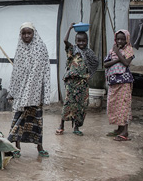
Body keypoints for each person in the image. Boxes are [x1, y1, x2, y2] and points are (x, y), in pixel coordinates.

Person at [7, 22, 52, 157]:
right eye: (24, 33)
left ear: (34, 33)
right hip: (21, 92)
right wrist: (12, 92)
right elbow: (16, 73)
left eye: (29, 33)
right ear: (20, 35)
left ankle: (40, 147)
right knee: (19, 119)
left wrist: (43, 94)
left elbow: (44, 72)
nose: (26, 36)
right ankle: (16, 147)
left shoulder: (41, 47)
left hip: (35, 93)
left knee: (37, 120)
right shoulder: (20, 49)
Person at [57, 25, 99, 135]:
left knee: (81, 105)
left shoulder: (89, 52)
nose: (81, 43)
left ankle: (76, 127)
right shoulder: (73, 49)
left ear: (87, 41)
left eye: (83, 41)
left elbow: (96, 63)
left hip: (83, 83)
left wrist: (90, 74)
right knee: (68, 103)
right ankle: (61, 125)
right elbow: (65, 40)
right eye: (78, 40)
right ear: (75, 41)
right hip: (71, 82)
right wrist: (70, 28)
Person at [104, 30, 134, 141]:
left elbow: (126, 63)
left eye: (122, 39)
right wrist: (116, 58)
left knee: (124, 105)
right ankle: (119, 128)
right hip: (113, 82)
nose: (120, 41)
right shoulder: (112, 50)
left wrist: (118, 53)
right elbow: (106, 64)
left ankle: (125, 132)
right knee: (115, 105)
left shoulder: (129, 49)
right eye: (118, 39)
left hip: (124, 82)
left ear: (127, 40)